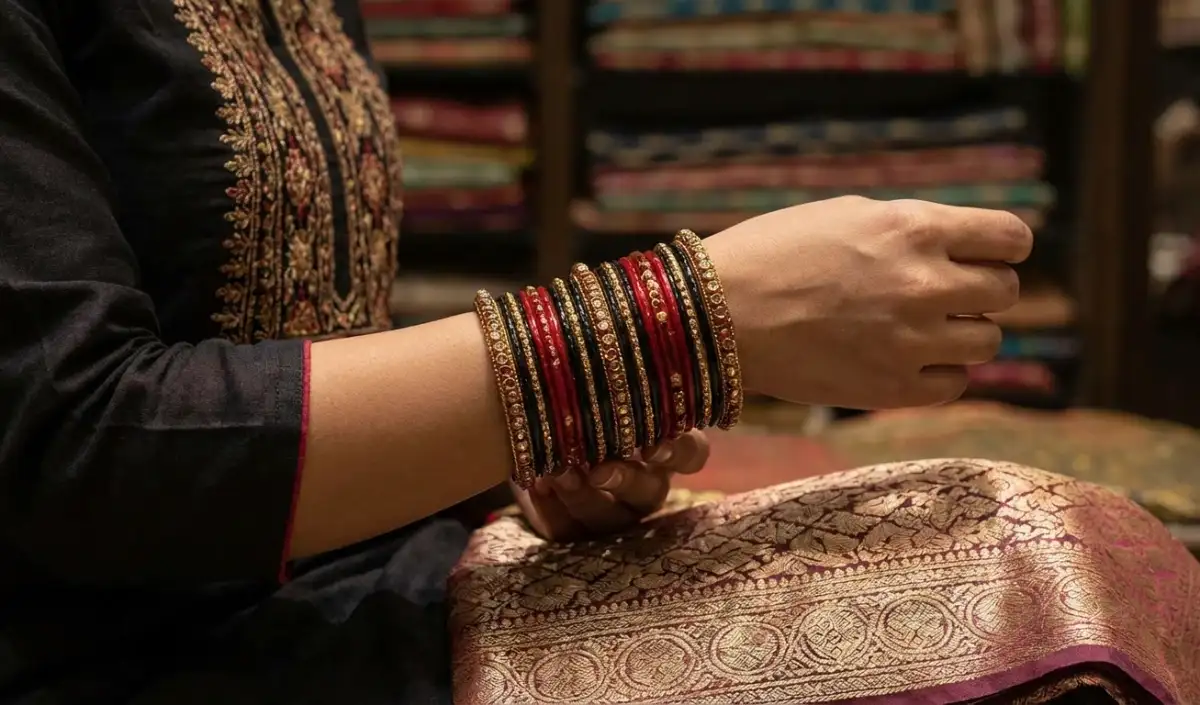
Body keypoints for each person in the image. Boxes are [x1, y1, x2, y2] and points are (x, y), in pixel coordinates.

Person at [3, 2, 1193, 704]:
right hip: (128, 661)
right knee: (1036, 610)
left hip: (360, 590)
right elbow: (68, 446)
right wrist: (683, 320)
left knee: (1057, 549)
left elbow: (288, 343)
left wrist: (533, 454)